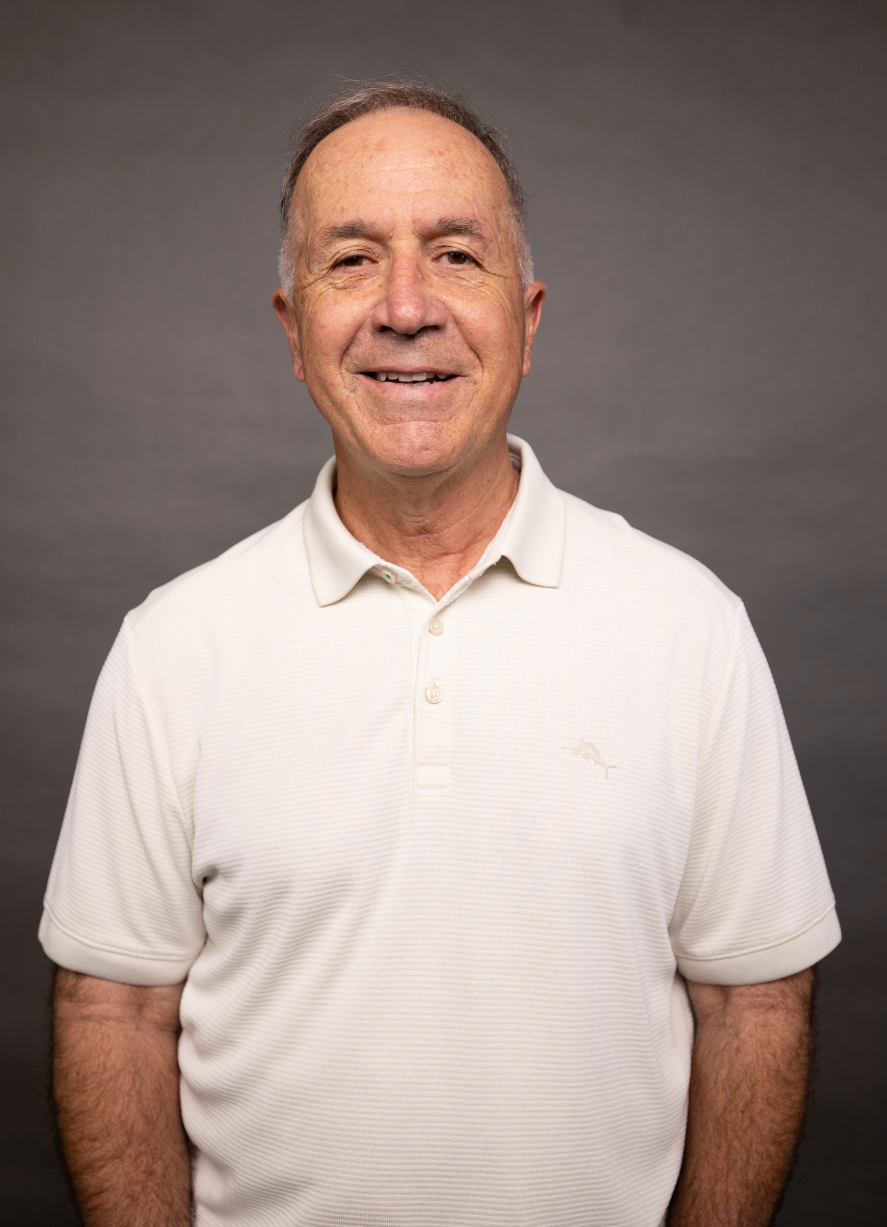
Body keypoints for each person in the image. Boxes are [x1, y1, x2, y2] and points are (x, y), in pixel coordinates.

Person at [42, 81, 840, 1227]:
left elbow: (752, 1004)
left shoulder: (689, 627)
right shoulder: (173, 647)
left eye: (455, 256)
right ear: (290, 328)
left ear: (528, 318)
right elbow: (110, 1011)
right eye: (351, 260)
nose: (405, 308)